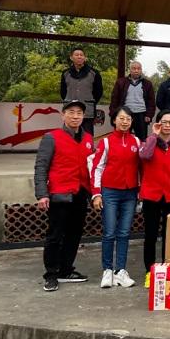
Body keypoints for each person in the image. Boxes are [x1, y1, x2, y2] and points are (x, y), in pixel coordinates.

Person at [34, 100, 94, 292]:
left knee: (74, 234)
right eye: (71, 112)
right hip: (59, 194)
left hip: (80, 193)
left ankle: (66, 269)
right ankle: (51, 274)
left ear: (83, 117)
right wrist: (42, 194)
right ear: (63, 115)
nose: (75, 116)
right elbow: (41, 167)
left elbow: (93, 167)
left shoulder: (88, 138)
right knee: (55, 235)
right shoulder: (51, 137)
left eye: (79, 113)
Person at [89, 105, 141, 289]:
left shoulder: (136, 141)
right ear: (114, 120)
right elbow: (97, 167)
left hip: (130, 192)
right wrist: (96, 194)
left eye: (128, 119)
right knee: (110, 232)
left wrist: (140, 190)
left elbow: (142, 167)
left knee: (125, 233)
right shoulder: (106, 142)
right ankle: (107, 270)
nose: (125, 121)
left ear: (131, 121)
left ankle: (121, 271)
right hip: (110, 192)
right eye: (121, 118)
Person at [139, 109, 170, 288]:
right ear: (158, 123)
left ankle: (167, 267)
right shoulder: (150, 141)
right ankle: (150, 271)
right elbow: (144, 155)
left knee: (169, 235)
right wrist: (153, 135)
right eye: (164, 122)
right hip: (151, 195)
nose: (167, 125)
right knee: (151, 234)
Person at [60, 47, 103, 137]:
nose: (79, 57)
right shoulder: (65, 73)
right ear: (71, 57)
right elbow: (63, 92)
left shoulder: (94, 73)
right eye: (76, 55)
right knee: (69, 137)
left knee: (87, 136)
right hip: (69, 109)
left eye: (81, 55)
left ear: (85, 58)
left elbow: (98, 92)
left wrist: (90, 101)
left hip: (87, 111)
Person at [109, 61, 155, 141]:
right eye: (134, 68)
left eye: (138, 68)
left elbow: (151, 101)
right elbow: (114, 99)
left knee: (142, 139)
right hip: (125, 114)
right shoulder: (121, 82)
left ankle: (141, 153)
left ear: (141, 70)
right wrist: (113, 114)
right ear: (130, 70)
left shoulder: (147, 84)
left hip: (141, 114)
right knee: (122, 137)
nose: (136, 70)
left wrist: (149, 115)